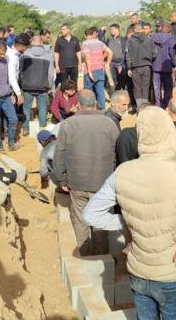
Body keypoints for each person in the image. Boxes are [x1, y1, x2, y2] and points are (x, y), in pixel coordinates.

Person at [82, 106, 176, 320]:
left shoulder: (122, 172)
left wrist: (127, 223)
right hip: (174, 272)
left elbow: (90, 215)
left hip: (139, 271)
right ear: (170, 133)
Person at [54, 90, 119, 256]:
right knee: (101, 221)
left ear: (78, 105)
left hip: (77, 182)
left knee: (81, 219)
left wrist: (62, 180)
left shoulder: (68, 124)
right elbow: (117, 153)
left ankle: (85, 253)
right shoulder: (109, 124)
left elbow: (59, 154)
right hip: (103, 183)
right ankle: (102, 257)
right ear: (96, 103)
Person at [19, 35, 55, 136]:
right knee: (42, 108)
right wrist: (49, 85)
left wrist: (22, 83)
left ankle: (26, 129)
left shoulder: (25, 54)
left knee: (26, 108)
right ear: (41, 42)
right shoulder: (48, 55)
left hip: (27, 86)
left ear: (32, 42)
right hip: (42, 86)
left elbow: (20, 70)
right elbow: (51, 74)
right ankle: (42, 129)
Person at [82, 26, 113, 110]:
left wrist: (89, 70)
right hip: (100, 69)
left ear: (85, 36)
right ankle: (102, 111)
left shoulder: (85, 43)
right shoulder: (99, 43)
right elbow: (110, 52)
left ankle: (88, 110)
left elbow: (87, 57)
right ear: (93, 34)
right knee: (100, 92)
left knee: (88, 92)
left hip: (90, 71)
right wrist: (107, 63)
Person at [127, 24, 155, 107]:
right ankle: (145, 107)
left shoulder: (131, 40)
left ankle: (139, 107)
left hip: (135, 67)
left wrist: (129, 68)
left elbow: (128, 55)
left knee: (137, 88)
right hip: (147, 66)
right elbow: (154, 54)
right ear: (142, 30)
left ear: (134, 30)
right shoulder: (149, 39)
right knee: (145, 87)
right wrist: (149, 60)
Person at [152, 22, 176, 107]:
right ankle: (167, 105)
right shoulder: (171, 39)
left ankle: (158, 104)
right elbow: (172, 53)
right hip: (167, 66)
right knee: (168, 87)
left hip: (155, 66)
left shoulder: (152, 37)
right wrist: (174, 65)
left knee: (156, 87)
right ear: (168, 28)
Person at [106, 23, 128, 92]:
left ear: (117, 29)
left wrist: (121, 64)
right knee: (113, 80)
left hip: (121, 64)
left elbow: (125, 52)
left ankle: (124, 96)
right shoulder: (108, 40)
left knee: (123, 81)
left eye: (112, 29)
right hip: (111, 64)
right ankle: (114, 96)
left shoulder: (123, 39)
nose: (111, 31)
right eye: (110, 29)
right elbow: (106, 52)